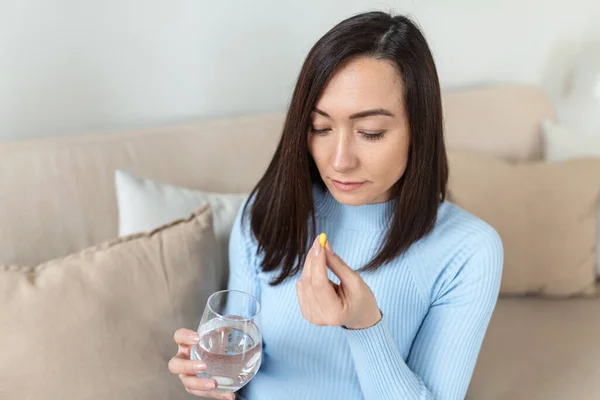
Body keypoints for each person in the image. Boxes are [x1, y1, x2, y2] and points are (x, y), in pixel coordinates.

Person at [168, 10, 503, 400]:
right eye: (320, 128)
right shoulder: (268, 210)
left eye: (370, 133)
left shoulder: (468, 249)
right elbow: (239, 364)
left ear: (420, 130)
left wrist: (365, 326)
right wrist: (208, 377)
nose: (340, 160)